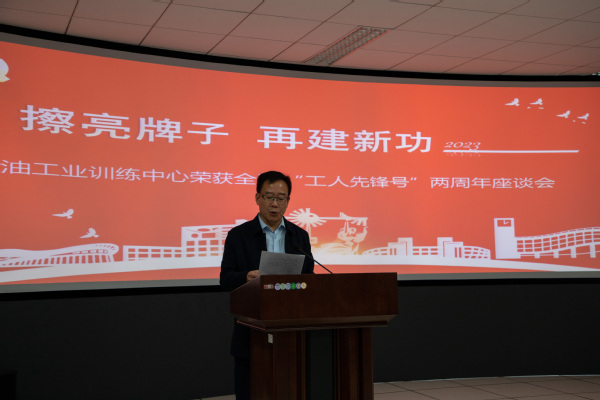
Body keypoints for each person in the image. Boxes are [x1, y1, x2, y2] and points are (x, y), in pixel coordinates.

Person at [219, 170, 314, 399]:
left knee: (290, 389)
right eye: (269, 197)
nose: (275, 204)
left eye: (281, 198)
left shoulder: (299, 236)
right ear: (258, 198)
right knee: (252, 390)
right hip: (251, 327)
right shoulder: (238, 236)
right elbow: (226, 279)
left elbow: (308, 276)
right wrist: (246, 277)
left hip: (291, 326)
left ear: (288, 201)